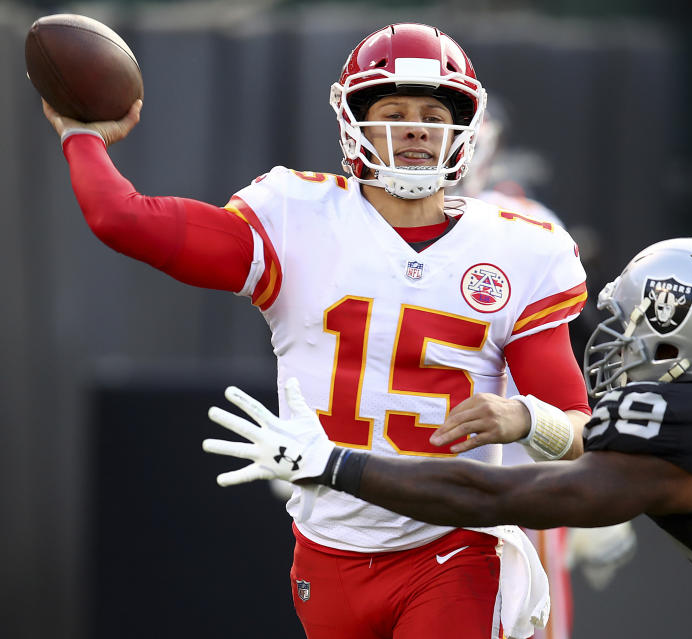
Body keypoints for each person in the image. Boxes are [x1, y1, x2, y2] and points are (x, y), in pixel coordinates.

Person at [45, 23, 592, 639]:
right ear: (354, 121)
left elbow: (579, 429)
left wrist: (523, 418)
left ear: (461, 129)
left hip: (455, 543)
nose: (415, 127)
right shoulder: (294, 219)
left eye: (432, 112)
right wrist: (83, 137)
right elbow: (123, 220)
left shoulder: (518, 250)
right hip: (327, 550)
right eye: (393, 110)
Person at [203, 237, 692, 639]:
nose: (613, 344)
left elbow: (495, 491)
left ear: (675, 333)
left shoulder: (680, 430)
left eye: (630, 324)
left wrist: (333, 462)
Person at [457, 96, 637, 639]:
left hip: (518, 467)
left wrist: (600, 464)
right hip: (407, 462)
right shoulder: (362, 223)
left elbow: (582, 358)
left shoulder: (522, 226)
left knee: (526, 618)